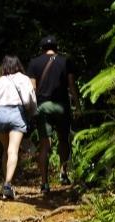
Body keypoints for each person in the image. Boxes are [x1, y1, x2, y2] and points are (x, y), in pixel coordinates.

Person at [26, 34, 79, 194]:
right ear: (56, 47)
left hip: (43, 106)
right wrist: (77, 105)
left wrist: (31, 109)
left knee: (45, 145)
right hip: (62, 106)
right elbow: (71, 85)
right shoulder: (65, 61)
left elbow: (32, 88)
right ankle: (63, 174)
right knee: (64, 140)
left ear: (42, 48)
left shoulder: (34, 63)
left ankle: (44, 183)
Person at [0, 55, 37, 200]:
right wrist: (31, 112)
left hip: (0, 115)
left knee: (6, 150)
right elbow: (30, 100)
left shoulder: (0, 80)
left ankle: (6, 185)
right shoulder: (24, 79)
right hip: (16, 114)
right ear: (18, 65)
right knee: (13, 150)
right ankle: (8, 184)